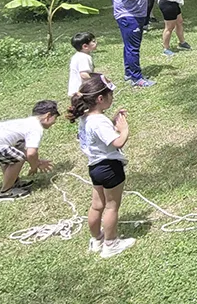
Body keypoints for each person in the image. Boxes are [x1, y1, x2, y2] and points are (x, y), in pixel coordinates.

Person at [66, 73, 136, 258]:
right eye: (110, 95)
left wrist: (112, 121)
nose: (112, 98)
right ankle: (111, 244)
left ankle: (97, 239)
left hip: (95, 168)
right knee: (112, 206)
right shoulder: (99, 121)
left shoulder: (86, 118)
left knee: (97, 206)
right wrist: (124, 129)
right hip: (110, 168)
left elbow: (99, 136)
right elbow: (117, 142)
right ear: (100, 98)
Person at [0, 100, 59, 201]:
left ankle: (13, 182)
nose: (54, 122)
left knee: (14, 153)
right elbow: (31, 153)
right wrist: (34, 166)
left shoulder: (27, 122)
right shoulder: (36, 128)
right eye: (55, 118)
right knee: (18, 158)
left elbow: (24, 150)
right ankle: (5, 193)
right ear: (48, 116)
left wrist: (37, 162)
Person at [111, 0, 159, 87]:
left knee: (130, 45)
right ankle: (137, 79)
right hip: (127, 15)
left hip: (139, 13)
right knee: (133, 47)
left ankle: (129, 73)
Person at [68, 32, 97, 96]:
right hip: (81, 91)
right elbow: (83, 74)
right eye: (93, 41)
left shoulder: (77, 56)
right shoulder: (84, 58)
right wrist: (95, 82)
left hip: (75, 89)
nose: (96, 43)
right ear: (85, 46)